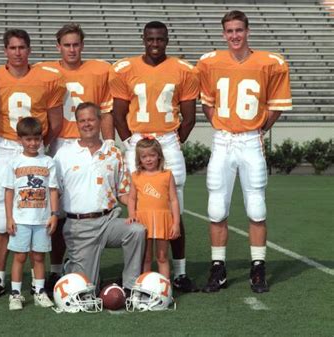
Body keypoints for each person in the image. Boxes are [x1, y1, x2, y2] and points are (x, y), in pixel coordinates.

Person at [196, 10, 292, 293]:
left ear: (247, 31)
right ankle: (218, 268)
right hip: (224, 141)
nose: (235, 36)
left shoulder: (269, 62)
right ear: (224, 33)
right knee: (216, 207)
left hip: (251, 140)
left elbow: (276, 105)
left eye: (239, 30)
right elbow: (207, 102)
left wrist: (261, 128)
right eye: (229, 31)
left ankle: (258, 268)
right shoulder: (211, 62)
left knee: (256, 207)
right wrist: (218, 125)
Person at [109, 21, 199, 292]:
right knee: (137, 208)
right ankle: (140, 271)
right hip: (137, 138)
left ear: (167, 40)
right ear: (143, 39)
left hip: (167, 141)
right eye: (150, 39)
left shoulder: (183, 70)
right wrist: (129, 142)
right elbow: (118, 113)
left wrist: (171, 142)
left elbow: (190, 117)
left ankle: (180, 273)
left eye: (160, 39)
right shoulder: (126, 69)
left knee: (174, 211)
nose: (155, 44)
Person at [0, 28, 65, 300]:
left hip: (37, 146)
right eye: (13, 48)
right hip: (6, 145)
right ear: (5, 50)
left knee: (40, 210)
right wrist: (6, 144)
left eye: (22, 48)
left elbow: (55, 122)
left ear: (29, 50)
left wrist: (36, 146)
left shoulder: (46, 78)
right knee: (1, 217)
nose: (17, 53)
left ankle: (41, 279)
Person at [40, 23, 114, 291]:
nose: (72, 49)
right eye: (66, 44)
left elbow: (105, 112)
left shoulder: (99, 70)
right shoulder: (46, 72)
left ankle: (90, 266)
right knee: (57, 212)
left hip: (91, 145)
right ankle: (56, 269)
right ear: (57, 46)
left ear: (82, 45)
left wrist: (107, 145)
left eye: (76, 44)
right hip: (60, 145)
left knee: (91, 209)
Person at [54, 102, 146, 295]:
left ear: (100, 121)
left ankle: (130, 286)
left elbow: (123, 191)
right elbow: (55, 191)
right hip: (79, 226)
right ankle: (71, 267)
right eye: (82, 120)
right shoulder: (64, 154)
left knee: (136, 230)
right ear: (77, 124)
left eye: (91, 119)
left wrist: (145, 206)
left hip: (108, 220)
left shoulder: (113, 153)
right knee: (86, 292)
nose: (87, 124)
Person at [3, 117, 58, 310]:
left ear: (41, 139)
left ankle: (40, 291)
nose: (33, 143)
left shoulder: (48, 162)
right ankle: (16, 294)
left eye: (37, 139)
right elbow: (9, 191)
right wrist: (9, 217)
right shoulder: (14, 162)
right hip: (21, 220)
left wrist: (54, 214)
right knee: (19, 257)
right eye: (28, 139)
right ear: (20, 140)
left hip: (42, 220)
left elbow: (52, 190)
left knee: (39, 257)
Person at [126, 137, 181, 279]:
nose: (148, 159)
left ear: (159, 156)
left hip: (163, 220)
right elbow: (131, 198)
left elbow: (174, 200)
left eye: (152, 155)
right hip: (143, 221)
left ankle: (165, 289)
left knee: (162, 257)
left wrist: (176, 223)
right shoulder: (136, 176)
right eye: (144, 156)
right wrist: (132, 214)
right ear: (139, 159)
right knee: (146, 258)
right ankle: (145, 288)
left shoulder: (167, 175)